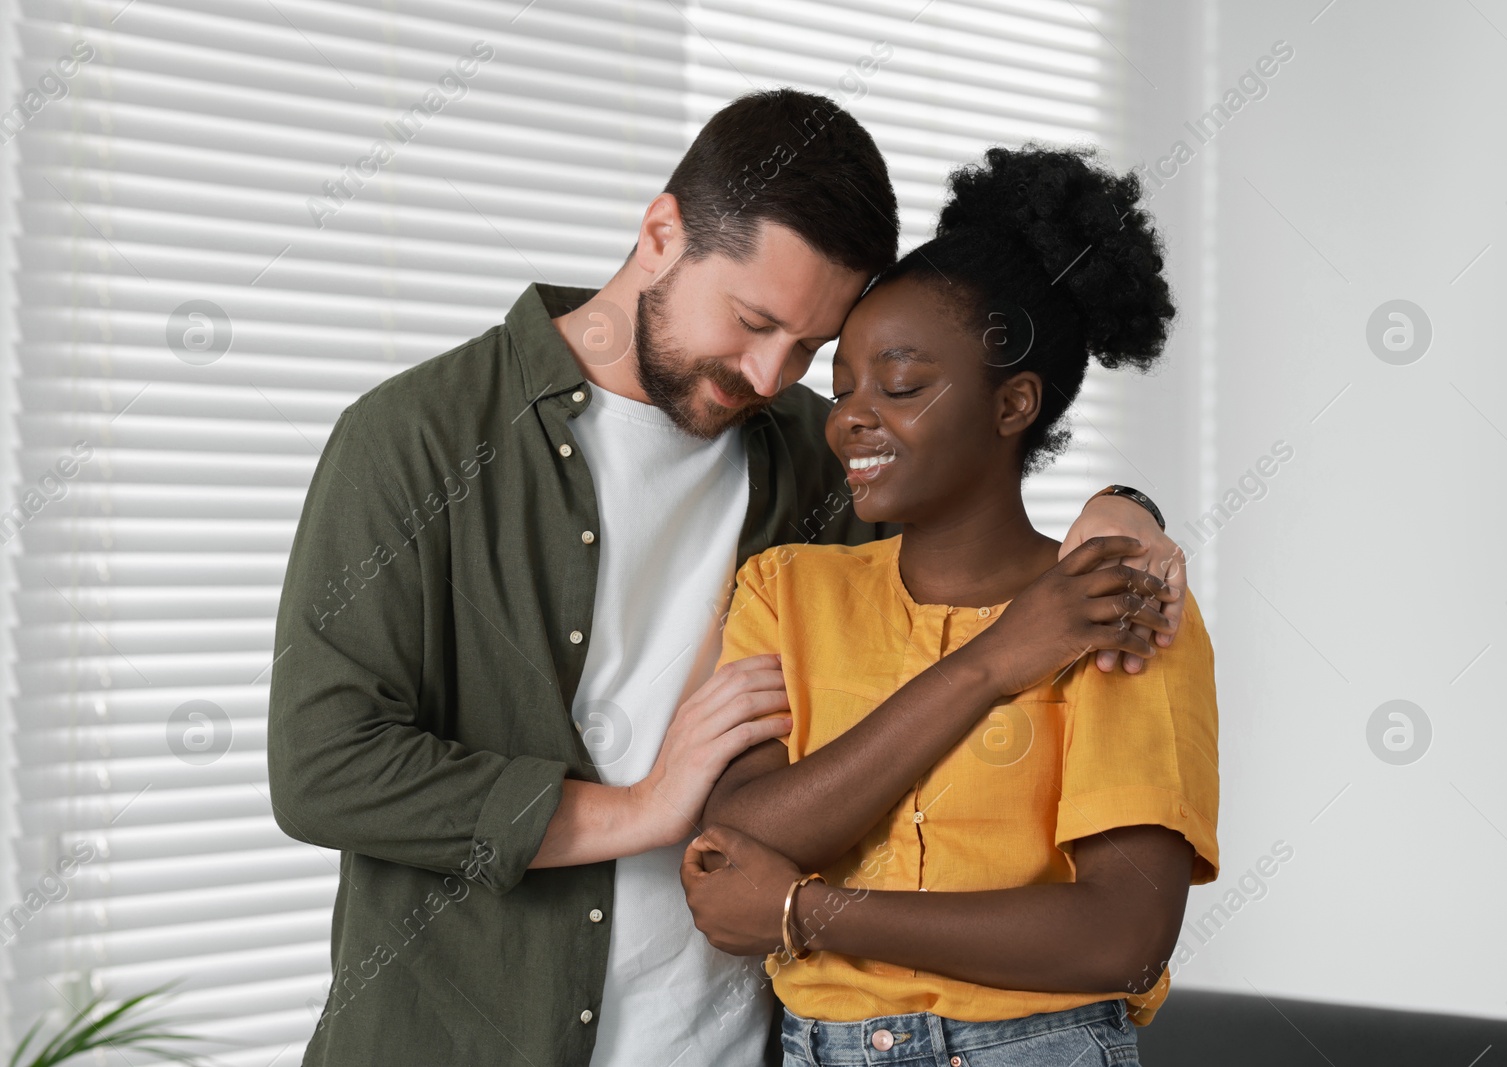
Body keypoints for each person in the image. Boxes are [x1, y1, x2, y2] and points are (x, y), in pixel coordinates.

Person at [267, 89, 1186, 1067]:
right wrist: (642, 808)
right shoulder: (417, 438)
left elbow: (974, 487)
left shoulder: (806, 451)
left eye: (807, 347)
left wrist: (1126, 506)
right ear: (662, 233)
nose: (768, 370)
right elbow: (327, 766)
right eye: (752, 320)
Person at [680, 144, 1218, 1067]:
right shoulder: (786, 589)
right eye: (841, 385)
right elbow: (741, 837)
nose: (849, 415)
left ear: (1013, 402)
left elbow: (1120, 934)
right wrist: (994, 661)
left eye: (898, 386)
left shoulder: (1118, 601)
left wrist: (805, 910)